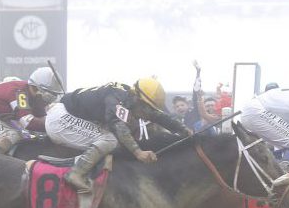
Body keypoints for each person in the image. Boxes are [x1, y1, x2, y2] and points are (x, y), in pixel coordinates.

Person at [46, 78, 191, 192]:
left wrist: (184, 130)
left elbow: (159, 116)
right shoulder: (117, 98)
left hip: (69, 115)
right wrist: (138, 152)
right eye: (147, 108)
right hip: (61, 118)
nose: (148, 114)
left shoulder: (131, 98)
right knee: (110, 140)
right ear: (138, 99)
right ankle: (75, 173)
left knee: (114, 141)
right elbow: (116, 123)